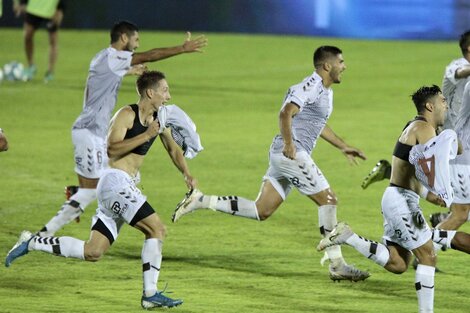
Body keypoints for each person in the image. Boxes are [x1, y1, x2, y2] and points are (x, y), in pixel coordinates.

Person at [172, 45, 370, 282]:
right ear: (327, 65)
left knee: (261, 210)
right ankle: (337, 264)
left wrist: (342, 145)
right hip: (291, 153)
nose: (344, 66)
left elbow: (317, 123)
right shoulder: (311, 86)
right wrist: (289, 144)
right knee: (328, 200)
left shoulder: (325, 91)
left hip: (284, 154)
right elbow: (286, 113)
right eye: (341, 62)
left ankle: (200, 200)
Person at [5, 71, 197, 309]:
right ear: (151, 92)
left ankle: (33, 241)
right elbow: (112, 149)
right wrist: (147, 134)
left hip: (124, 186)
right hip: (114, 183)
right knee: (156, 229)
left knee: (93, 251)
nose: (168, 96)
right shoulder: (127, 115)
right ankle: (150, 294)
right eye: (164, 90)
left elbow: (173, 149)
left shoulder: (160, 118)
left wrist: (186, 173)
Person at [36, 21, 207, 238]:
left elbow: (104, 78)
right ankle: (40, 237)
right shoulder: (112, 59)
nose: (136, 46)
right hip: (90, 131)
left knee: (101, 182)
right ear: (124, 38)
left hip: (90, 130)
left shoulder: (104, 60)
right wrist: (181, 49)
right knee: (97, 188)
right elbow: (150, 55)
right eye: (135, 40)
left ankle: (73, 198)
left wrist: (186, 173)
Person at [317, 85, 470, 312]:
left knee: (398, 263)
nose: (446, 104)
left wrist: (449, 137)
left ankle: (349, 236)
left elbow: (438, 160)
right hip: (401, 202)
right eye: (442, 101)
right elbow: (432, 169)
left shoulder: (420, 127)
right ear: (430, 106)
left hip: (398, 199)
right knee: (428, 256)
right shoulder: (422, 128)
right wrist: (441, 186)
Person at [362, 30, 470, 230]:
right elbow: (461, 73)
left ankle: (391, 173)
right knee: (460, 213)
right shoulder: (456, 67)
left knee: (458, 208)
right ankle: (428, 249)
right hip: (454, 150)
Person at [13, 0, 66, 82]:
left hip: (52, 8)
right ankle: (31, 66)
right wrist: (22, 3)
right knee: (27, 35)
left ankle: (50, 72)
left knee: (53, 40)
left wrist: (60, 9)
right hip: (33, 7)